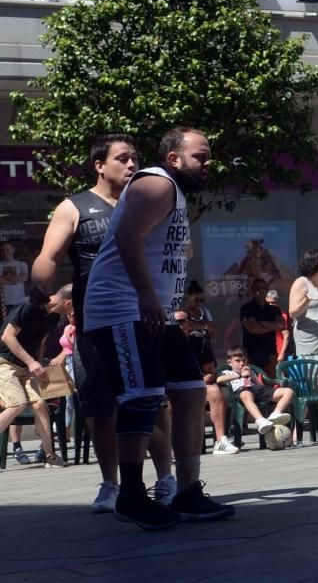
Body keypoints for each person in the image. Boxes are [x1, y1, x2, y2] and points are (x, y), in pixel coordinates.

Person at [84, 127, 233, 529]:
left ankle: (186, 492)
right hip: (123, 308)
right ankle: (131, 495)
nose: (207, 163)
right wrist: (147, 295)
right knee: (142, 395)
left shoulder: (175, 193)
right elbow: (129, 237)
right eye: (200, 157)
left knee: (189, 391)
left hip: (155, 314)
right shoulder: (156, 183)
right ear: (174, 158)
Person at [30, 134, 174, 513]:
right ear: (99, 165)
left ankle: (166, 478)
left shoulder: (147, 202)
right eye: (123, 158)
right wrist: (38, 285)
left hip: (144, 316)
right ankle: (111, 484)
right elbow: (48, 256)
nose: (132, 165)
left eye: (135, 157)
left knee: (150, 401)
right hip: (95, 320)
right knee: (100, 406)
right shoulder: (74, 207)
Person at [0, 285, 73, 468]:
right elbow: (7, 336)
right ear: (68, 303)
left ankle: (50, 456)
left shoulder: (54, 316)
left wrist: (38, 365)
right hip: (5, 363)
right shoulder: (29, 306)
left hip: (27, 367)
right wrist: (31, 362)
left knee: (40, 404)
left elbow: (40, 342)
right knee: (17, 403)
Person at [176, 284, 238, 456]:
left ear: (190, 323)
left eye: (184, 322)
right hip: (172, 388)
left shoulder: (200, 342)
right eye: (177, 322)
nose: (180, 326)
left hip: (196, 386)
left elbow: (210, 372)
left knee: (215, 391)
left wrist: (195, 383)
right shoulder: (165, 343)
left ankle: (220, 441)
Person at [216, 346, 293, 435]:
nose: (242, 363)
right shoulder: (227, 373)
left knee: (288, 391)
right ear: (230, 362)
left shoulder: (250, 371)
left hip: (257, 390)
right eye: (238, 361)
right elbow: (219, 380)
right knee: (245, 394)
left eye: (244, 360)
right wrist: (240, 375)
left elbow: (260, 386)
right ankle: (260, 420)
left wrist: (252, 376)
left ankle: (276, 413)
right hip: (242, 392)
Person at [240, 278, 285, 377]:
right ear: (252, 291)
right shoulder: (246, 308)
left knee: (273, 382)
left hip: (270, 352)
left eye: (263, 288)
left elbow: (282, 326)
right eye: (257, 288)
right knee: (251, 383)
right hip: (251, 352)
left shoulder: (274, 309)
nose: (260, 290)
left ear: (267, 290)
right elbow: (252, 329)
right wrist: (273, 326)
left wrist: (262, 322)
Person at [0, 241, 29, 313]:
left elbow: (24, 278)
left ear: (13, 250)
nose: (5, 252)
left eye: (7, 249)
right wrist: (15, 280)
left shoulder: (22, 264)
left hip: (19, 300)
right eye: (3, 250)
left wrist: (4, 277)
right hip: (3, 302)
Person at [267, 289, 293, 362]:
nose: (270, 305)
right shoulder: (265, 316)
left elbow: (287, 336)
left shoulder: (282, 316)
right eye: (268, 303)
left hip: (279, 353)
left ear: (277, 303)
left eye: (273, 302)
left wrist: (282, 354)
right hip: (268, 354)